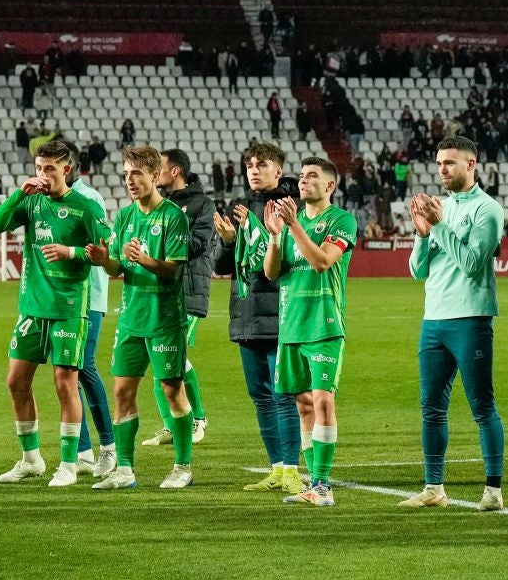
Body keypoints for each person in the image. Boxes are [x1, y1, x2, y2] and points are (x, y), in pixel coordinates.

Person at [0, 139, 110, 486]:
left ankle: (69, 464)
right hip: (31, 308)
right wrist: (18, 194)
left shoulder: (85, 206)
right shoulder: (33, 202)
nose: (43, 175)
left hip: (69, 308)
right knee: (15, 381)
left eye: (50, 169)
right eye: (39, 168)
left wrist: (72, 252)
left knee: (64, 384)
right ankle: (31, 459)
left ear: (66, 170)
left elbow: (105, 249)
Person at [401, 135, 506, 511]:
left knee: (482, 406)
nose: (442, 170)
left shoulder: (487, 210)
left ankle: (493, 490)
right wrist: (421, 233)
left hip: (470, 318)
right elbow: (417, 271)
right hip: (434, 320)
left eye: (449, 163)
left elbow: (473, 263)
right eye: (439, 163)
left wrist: (440, 225)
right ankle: (434, 488)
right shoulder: (440, 207)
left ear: (470, 164)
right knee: (431, 407)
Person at [86, 145, 195, 491]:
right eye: (125, 175)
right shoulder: (124, 217)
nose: (130, 181)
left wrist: (146, 260)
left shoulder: (173, 217)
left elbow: (174, 271)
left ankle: (183, 466)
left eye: (136, 174)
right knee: (122, 392)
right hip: (131, 319)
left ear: (153, 175)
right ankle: (125, 470)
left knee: (172, 390)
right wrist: (104, 259)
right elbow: (119, 267)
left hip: (164, 319)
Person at [262, 157, 357, 507]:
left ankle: (322, 484)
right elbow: (272, 273)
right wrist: (275, 236)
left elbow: (321, 262)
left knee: (322, 400)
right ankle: (313, 484)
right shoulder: (291, 223)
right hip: (291, 325)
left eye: (312, 176)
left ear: (329, 186)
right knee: (303, 405)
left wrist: (292, 227)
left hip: (324, 324)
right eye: (301, 176)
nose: (303, 181)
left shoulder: (341, 220)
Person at [217, 142, 302, 495]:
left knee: (285, 395)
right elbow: (223, 268)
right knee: (262, 397)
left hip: (281, 314)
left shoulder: (291, 207)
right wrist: (227, 242)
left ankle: (295, 469)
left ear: (278, 171)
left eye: (262, 164)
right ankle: (277, 469)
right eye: (250, 164)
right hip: (247, 314)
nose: (254, 169)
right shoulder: (239, 208)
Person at [141, 149, 216, 447]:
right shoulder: (156, 204)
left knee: (174, 358)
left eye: (158, 166)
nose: (153, 171)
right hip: (157, 291)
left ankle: (197, 417)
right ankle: (171, 424)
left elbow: (198, 244)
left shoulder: (202, 204)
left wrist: (168, 233)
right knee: (158, 359)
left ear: (175, 171)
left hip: (188, 291)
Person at [69, 159, 118, 479]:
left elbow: (101, 245)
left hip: (90, 296)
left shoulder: (90, 199)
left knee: (84, 366)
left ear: (70, 167)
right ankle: (83, 451)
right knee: (68, 373)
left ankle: (109, 448)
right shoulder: (49, 200)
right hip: (63, 301)